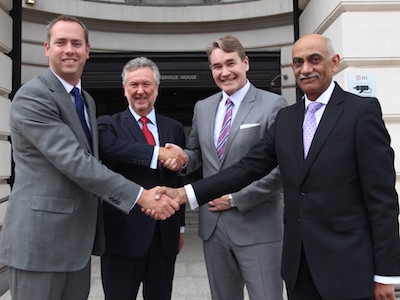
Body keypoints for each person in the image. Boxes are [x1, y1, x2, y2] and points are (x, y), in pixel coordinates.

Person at [154, 34, 400, 299]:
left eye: (314, 60)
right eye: (298, 62)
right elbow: (247, 168)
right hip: (299, 267)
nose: (306, 69)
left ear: (335, 62)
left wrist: (385, 274)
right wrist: (183, 194)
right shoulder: (288, 118)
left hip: (347, 266)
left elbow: (382, 199)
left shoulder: (361, 112)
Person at [0, 15, 184, 300]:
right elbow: (76, 161)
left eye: (77, 43)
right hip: (40, 241)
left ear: (88, 50)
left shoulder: (85, 101)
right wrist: (141, 196)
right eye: (61, 42)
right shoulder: (32, 96)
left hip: (77, 244)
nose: (69, 49)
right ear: (47, 48)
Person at [172, 35, 286, 300]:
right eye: (216, 66)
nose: (224, 72)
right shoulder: (203, 107)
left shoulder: (273, 105)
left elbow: (280, 168)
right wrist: (183, 158)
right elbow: (197, 153)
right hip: (214, 228)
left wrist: (236, 199)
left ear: (245, 63)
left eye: (230, 63)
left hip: (258, 225)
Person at [97, 57, 186, 300]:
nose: (140, 91)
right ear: (124, 90)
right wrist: (159, 153)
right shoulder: (108, 125)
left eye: (146, 84)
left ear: (157, 89)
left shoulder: (174, 128)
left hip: (164, 237)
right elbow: (112, 149)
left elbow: (176, 182)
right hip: (123, 235)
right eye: (133, 85)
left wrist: (180, 227)